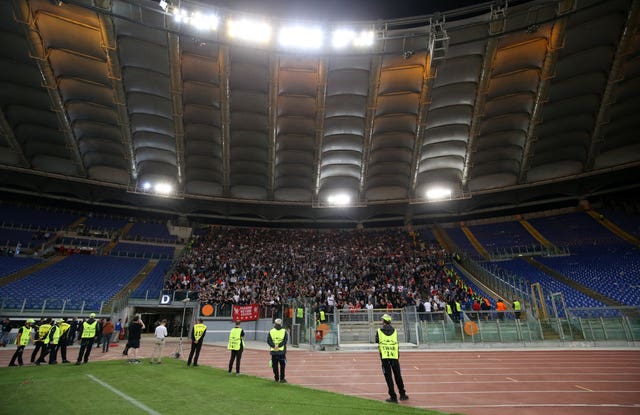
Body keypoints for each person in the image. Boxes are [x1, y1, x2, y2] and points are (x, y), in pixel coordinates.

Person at [375, 314, 408, 403]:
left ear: (384, 321)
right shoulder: (395, 331)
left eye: (382, 320)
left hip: (385, 357)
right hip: (394, 356)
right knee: (398, 375)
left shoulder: (379, 331)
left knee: (388, 377)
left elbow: (377, 341)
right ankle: (402, 394)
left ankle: (393, 396)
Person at [267, 318, 288, 383]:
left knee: (275, 366)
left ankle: (276, 378)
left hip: (274, 352)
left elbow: (268, 341)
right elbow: (285, 341)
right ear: (281, 324)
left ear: (275, 324)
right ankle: (282, 379)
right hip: (282, 352)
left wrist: (274, 346)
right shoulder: (284, 331)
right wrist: (279, 346)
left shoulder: (271, 331)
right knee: (282, 366)